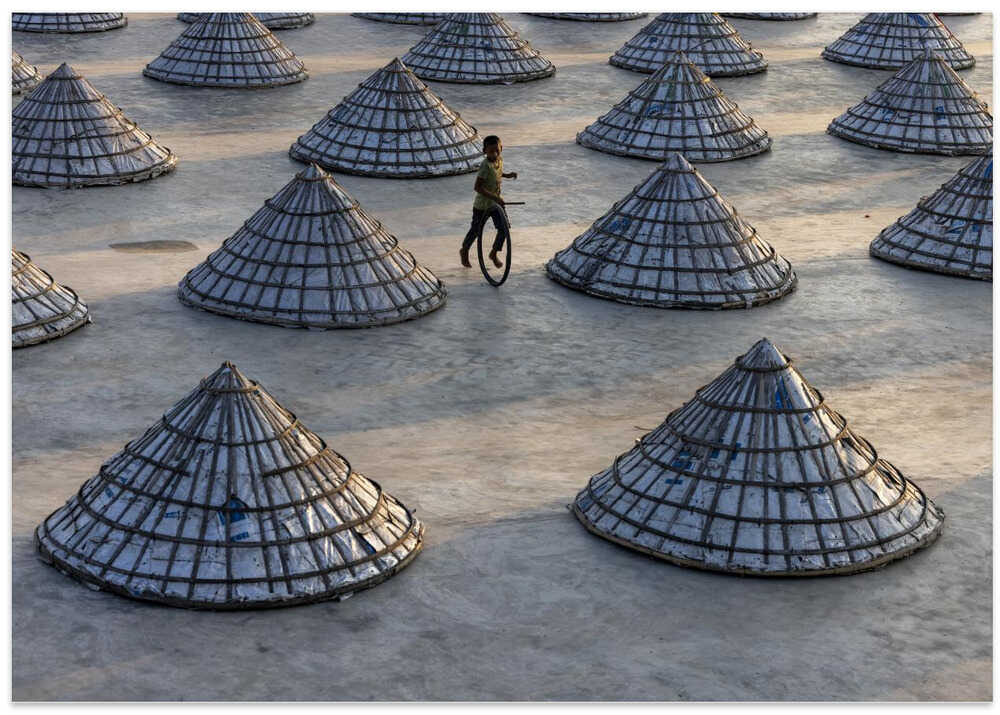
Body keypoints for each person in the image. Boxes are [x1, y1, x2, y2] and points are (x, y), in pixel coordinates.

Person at [460, 135, 517, 269]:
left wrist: (507, 175)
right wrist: (495, 197)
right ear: (484, 151)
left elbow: (497, 173)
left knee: (504, 229)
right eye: (491, 151)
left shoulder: (499, 160)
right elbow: (477, 187)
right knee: (475, 231)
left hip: (496, 204)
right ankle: (464, 250)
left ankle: (493, 253)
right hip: (482, 206)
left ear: (501, 148)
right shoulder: (484, 167)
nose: (495, 154)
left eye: (497, 150)